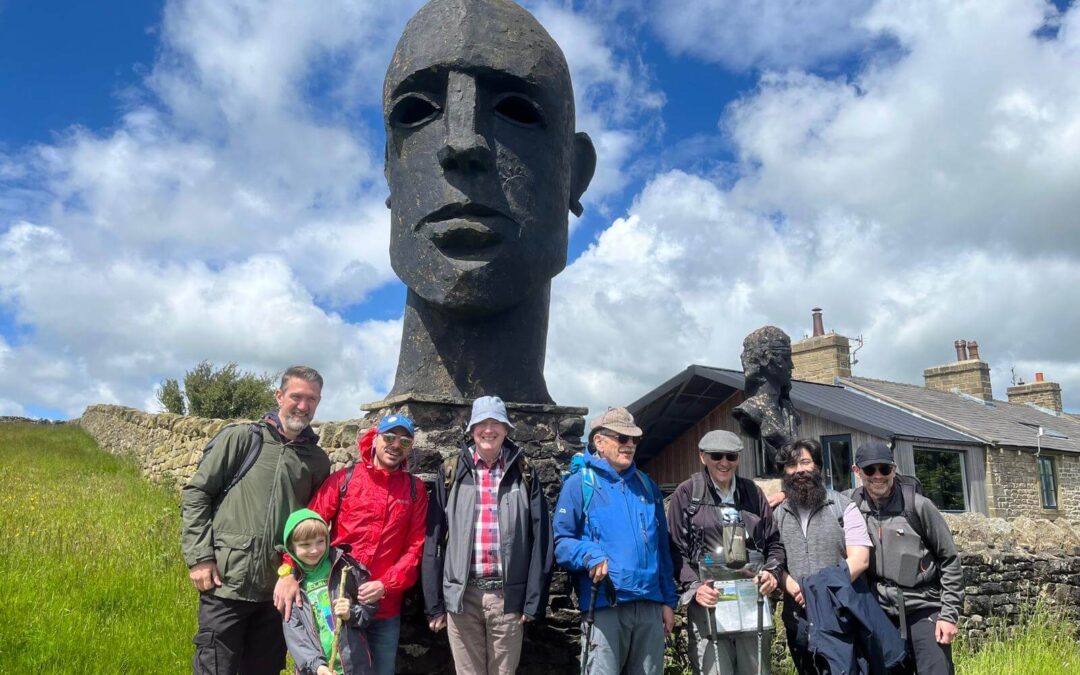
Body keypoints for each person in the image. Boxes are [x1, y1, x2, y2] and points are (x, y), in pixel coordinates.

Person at [382, 0, 596, 402]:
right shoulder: (345, 468)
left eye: (515, 109)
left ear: (576, 173)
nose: (461, 143)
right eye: (418, 110)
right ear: (390, 170)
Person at [181, 366, 331, 674]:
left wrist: (293, 573)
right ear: (279, 396)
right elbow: (198, 493)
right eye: (296, 396)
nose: (303, 406)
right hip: (225, 584)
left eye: (312, 399)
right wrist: (199, 558)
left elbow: (313, 526)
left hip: (277, 592)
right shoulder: (242, 438)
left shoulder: (317, 461)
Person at [275, 414, 428, 675]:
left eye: (404, 441)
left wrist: (386, 585)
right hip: (335, 602)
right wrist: (287, 571)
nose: (395, 445)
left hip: (382, 608)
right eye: (389, 437)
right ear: (375, 438)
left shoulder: (415, 490)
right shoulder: (344, 480)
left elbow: (416, 546)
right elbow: (306, 529)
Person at [423, 395, 553, 675]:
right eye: (482, 423)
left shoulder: (524, 471)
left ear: (506, 430)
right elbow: (433, 540)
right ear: (471, 430)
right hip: (462, 596)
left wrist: (532, 602)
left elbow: (541, 538)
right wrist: (434, 604)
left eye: (496, 423)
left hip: (508, 599)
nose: (488, 430)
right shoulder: (451, 470)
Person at [553, 407, 678, 675]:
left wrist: (668, 601)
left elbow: (662, 551)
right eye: (622, 438)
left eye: (634, 439)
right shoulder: (579, 484)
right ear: (599, 441)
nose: (630, 445)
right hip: (604, 606)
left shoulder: (647, 486)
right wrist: (588, 553)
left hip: (649, 607)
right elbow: (562, 542)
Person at [667, 430, 785, 675]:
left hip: (751, 600)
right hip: (709, 603)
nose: (724, 462)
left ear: (738, 458)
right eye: (716, 456)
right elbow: (674, 550)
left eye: (730, 456)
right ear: (702, 457)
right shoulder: (687, 494)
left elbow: (774, 543)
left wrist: (772, 572)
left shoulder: (752, 493)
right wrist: (695, 587)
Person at [850, 441, 963, 674]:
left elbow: (949, 559)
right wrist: (780, 496)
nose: (878, 476)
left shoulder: (918, 507)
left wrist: (949, 615)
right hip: (880, 612)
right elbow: (818, 500)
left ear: (894, 469)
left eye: (885, 469)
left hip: (923, 607)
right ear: (856, 471)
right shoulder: (852, 506)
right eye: (870, 470)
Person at [773, 439, 871, 674]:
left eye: (805, 462)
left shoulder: (843, 506)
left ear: (818, 466)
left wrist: (818, 590)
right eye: (792, 465)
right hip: (798, 619)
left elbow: (860, 559)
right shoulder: (778, 514)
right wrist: (793, 586)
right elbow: (773, 559)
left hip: (840, 614)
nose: (799, 470)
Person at [281, 509, 377, 675]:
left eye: (320, 541)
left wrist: (351, 613)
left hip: (355, 665)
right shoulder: (291, 585)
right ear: (291, 547)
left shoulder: (344, 567)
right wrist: (317, 666)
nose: (314, 550)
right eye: (305, 545)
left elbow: (369, 607)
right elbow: (295, 635)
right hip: (316, 669)